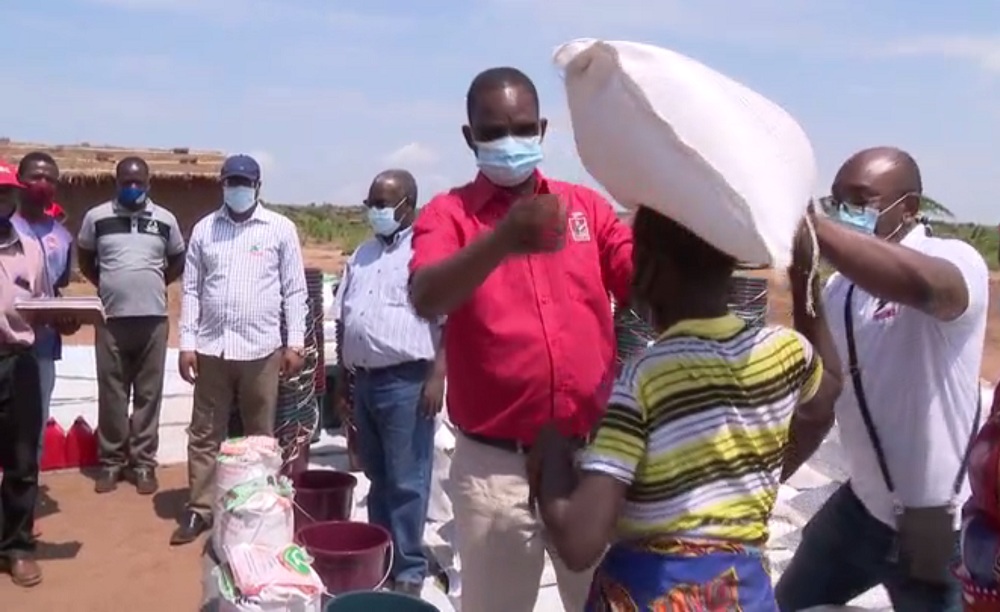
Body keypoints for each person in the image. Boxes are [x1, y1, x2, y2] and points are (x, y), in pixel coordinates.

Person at [526, 205, 842, 610]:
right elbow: (824, 401)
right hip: (741, 593)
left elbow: (579, 544)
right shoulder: (785, 352)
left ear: (650, 270)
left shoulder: (646, 378)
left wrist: (553, 458)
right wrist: (804, 280)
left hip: (652, 592)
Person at [408, 66, 633, 611]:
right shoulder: (450, 215)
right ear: (470, 137)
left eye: (522, 127)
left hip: (592, 463)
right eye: (493, 132)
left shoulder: (587, 209)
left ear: (543, 130)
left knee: (608, 602)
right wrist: (504, 240)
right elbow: (427, 296)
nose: (509, 142)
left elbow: (641, 281)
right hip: (497, 471)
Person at [775, 147, 988, 612]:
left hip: (931, 524)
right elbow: (820, 400)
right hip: (861, 508)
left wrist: (812, 226)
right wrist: (767, 482)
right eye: (834, 201)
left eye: (860, 199)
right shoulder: (839, 290)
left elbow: (929, 289)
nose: (843, 211)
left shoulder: (953, 258)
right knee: (784, 604)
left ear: (908, 208)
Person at [172, 154, 308, 545]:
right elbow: (193, 290)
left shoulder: (280, 229)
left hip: (261, 349)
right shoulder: (203, 230)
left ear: (258, 187)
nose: (238, 189)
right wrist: (187, 344)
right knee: (204, 433)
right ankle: (200, 508)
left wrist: (294, 342)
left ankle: (256, 507)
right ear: (222, 184)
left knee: (259, 435)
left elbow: (295, 290)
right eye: (231, 182)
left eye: (244, 183)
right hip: (213, 347)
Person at [332, 169, 446, 595]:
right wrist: (343, 383)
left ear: (408, 206)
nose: (375, 212)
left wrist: (438, 376)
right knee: (377, 477)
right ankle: (381, 558)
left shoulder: (426, 254)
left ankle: (410, 570)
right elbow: (345, 320)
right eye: (371, 204)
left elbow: (450, 322)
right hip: (365, 382)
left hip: (409, 382)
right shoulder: (360, 256)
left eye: (383, 204)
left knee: (408, 479)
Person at [77, 156, 186, 495]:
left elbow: (177, 260)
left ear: (149, 183)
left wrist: (151, 283)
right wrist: (110, 284)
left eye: (139, 182)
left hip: (153, 320)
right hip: (110, 320)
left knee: (148, 395)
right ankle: (111, 463)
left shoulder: (165, 219)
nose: (133, 187)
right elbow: (85, 259)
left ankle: (142, 464)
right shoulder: (97, 217)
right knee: (112, 393)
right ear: (117, 182)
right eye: (127, 182)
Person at [0, 162, 49, 587]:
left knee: (21, 461)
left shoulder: (30, 247)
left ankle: (16, 548)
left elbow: (44, 303)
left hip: (18, 361)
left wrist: (63, 320)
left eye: (4, 193)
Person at [13, 152, 77, 456]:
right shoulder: (6, 227)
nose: (43, 183)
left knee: (35, 419)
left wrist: (68, 318)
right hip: (4, 340)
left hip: (42, 344)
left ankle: (27, 491)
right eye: (36, 177)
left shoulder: (62, 237)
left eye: (50, 179)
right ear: (19, 182)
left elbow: (57, 289)